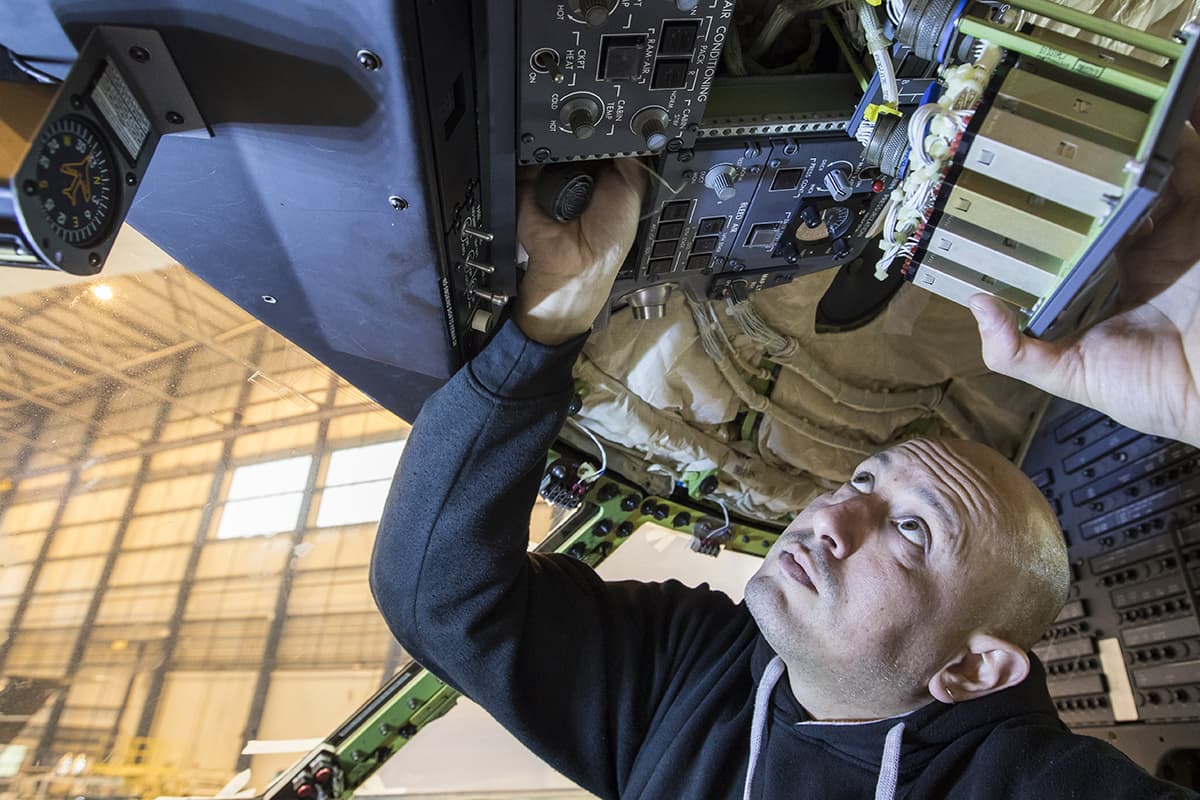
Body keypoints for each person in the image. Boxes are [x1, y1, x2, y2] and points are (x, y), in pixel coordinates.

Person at [369, 123, 1200, 798]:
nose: (831, 516)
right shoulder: (694, 670)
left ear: (973, 666)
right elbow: (438, 599)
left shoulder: (1039, 786)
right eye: (863, 482)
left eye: (912, 530)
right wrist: (555, 313)